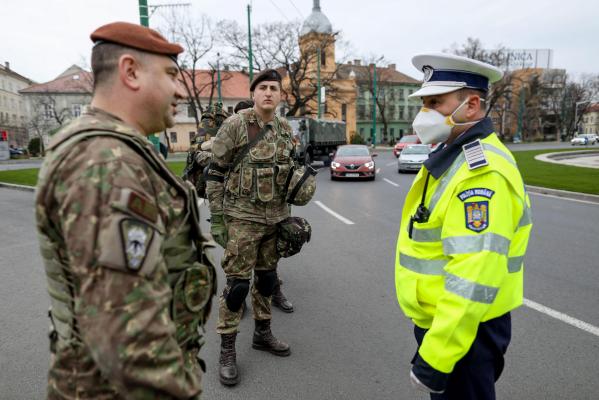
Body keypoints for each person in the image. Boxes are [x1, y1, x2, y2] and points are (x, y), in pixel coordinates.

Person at [35, 21, 216, 399]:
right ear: (130, 71)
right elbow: (129, 340)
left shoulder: (119, 150)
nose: (180, 90)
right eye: (170, 75)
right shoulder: (106, 162)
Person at [394, 53, 533, 400]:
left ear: (471, 105)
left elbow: (472, 276)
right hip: (451, 324)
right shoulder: (455, 154)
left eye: (434, 103)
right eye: (424, 102)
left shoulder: (481, 172)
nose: (423, 113)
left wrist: (437, 358)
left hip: (465, 332)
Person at [205, 69, 296, 386]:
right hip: (242, 220)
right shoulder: (236, 125)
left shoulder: (284, 128)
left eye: (274, 88)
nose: (269, 93)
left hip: (274, 219)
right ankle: (227, 350)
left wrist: (292, 208)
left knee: (268, 280)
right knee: (237, 287)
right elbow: (215, 173)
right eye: (263, 88)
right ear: (254, 93)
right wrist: (217, 217)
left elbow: (287, 173)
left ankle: (262, 333)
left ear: (280, 95)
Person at [232, 98, 294, 313]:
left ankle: (275, 293)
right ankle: (237, 302)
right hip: (241, 215)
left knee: (268, 270)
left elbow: (287, 172)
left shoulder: (274, 136)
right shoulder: (231, 135)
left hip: (272, 213)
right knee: (238, 272)